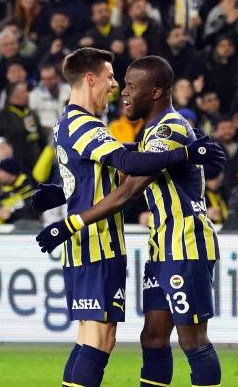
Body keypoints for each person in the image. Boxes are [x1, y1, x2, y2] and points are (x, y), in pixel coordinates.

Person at [30, 49, 224, 387]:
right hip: (160, 248)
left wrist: (69, 215)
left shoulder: (169, 129)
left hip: (186, 244)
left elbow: (128, 190)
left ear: (156, 92)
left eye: (131, 85)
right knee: (150, 339)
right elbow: (121, 168)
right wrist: (66, 193)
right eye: (117, 80)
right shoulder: (140, 133)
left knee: (192, 340)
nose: (121, 90)